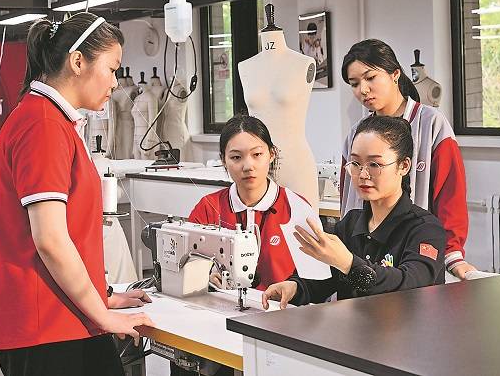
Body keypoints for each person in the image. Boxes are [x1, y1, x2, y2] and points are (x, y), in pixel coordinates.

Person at [0, 13, 154, 376]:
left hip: (59, 320)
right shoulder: (44, 126)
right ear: (78, 62)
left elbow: (67, 232)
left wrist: (102, 297)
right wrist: (103, 315)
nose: (115, 82)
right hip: (47, 327)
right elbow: (50, 240)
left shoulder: (49, 120)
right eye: (111, 69)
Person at [262, 115, 446, 309]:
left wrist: (348, 263)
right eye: (356, 164)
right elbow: (324, 279)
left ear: (404, 166)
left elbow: (411, 286)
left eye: (374, 165)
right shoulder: (351, 224)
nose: (363, 175)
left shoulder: (425, 229)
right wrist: (295, 287)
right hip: (352, 327)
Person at [339, 39, 476, 279]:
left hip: (415, 249)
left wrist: (452, 253)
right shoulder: (357, 133)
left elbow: (450, 193)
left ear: (395, 74)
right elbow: (348, 194)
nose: (363, 90)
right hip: (363, 249)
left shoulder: (431, 124)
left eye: (370, 78)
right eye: (355, 84)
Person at [188, 114, 315, 290]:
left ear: (272, 154)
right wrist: (205, 277)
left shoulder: (296, 207)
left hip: (282, 306)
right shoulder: (208, 208)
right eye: (236, 157)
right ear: (223, 160)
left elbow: (315, 278)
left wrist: (293, 288)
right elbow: (188, 265)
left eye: (257, 154)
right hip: (221, 303)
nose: (248, 166)